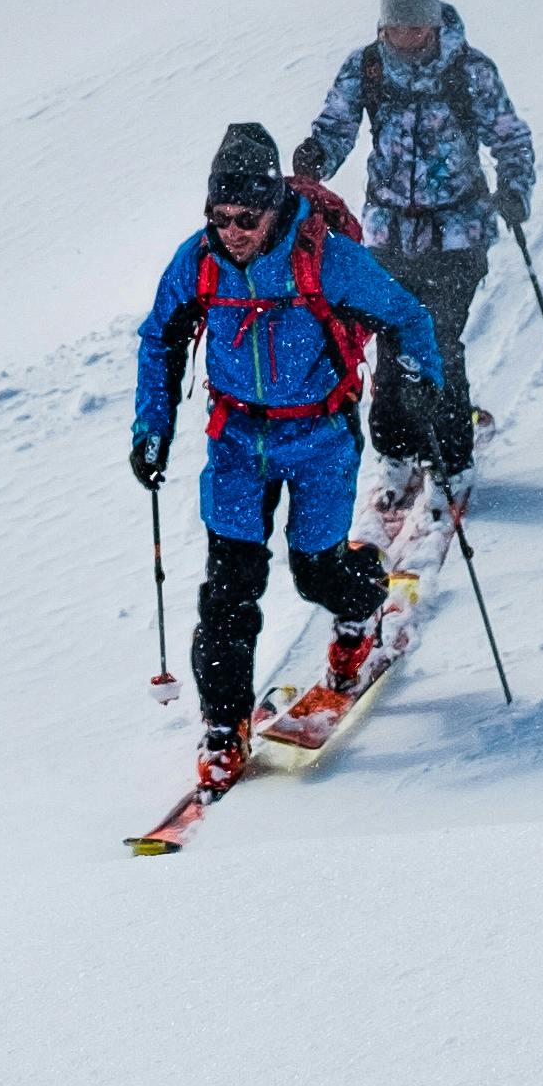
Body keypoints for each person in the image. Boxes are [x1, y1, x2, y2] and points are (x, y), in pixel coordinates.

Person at [131, 121, 445, 787]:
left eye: (244, 217)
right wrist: (149, 427)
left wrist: (420, 382)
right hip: (235, 441)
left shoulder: (326, 259)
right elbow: (159, 339)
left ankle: (361, 613)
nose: (230, 231)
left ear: (273, 205)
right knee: (228, 589)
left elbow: (407, 317)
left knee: (316, 573)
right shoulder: (197, 262)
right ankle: (222, 725)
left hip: (319, 435)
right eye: (217, 217)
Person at [294, 0, 533, 508]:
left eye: (413, 28)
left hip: (458, 231)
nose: (402, 38)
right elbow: (335, 127)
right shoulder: (368, 69)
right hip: (387, 233)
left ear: (432, 23)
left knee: (437, 344)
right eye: (393, 28)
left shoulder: (470, 71)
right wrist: (316, 159)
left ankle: (452, 459)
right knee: (391, 340)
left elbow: (510, 138)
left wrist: (515, 189)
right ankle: (397, 451)